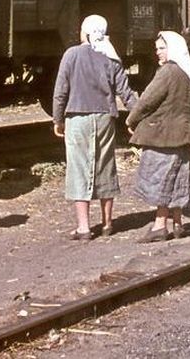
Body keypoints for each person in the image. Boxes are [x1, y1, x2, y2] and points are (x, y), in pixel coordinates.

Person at [52, 15, 137, 240]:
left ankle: (84, 227)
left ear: (85, 32)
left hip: (77, 118)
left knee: (79, 168)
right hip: (104, 118)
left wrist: (57, 119)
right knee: (105, 166)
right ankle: (108, 223)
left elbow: (61, 90)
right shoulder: (111, 57)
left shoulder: (71, 55)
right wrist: (138, 117)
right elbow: (126, 93)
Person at [128, 31, 190, 242]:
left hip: (164, 136)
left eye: (162, 48)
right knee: (178, 178)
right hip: (184, 134)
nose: (157, 52)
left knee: (162, 179)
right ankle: (178, 224)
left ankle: (160, 225)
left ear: (173, 49)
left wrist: (130, 119)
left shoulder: (168, 72)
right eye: (157, 48)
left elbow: (147, 100)